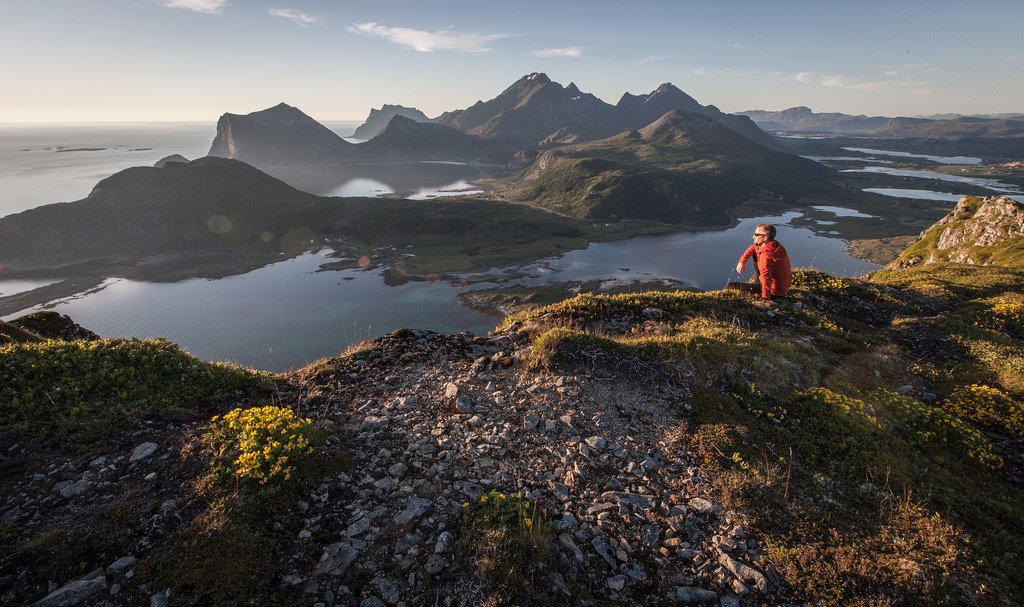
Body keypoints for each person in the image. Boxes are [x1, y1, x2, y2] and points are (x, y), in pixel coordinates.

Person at [730, 223, 792, 300]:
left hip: (774, 293)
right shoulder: (776, 245)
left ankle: (759, 286)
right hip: (783, 288)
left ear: (765, 238)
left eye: (756, 234)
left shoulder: (766, 256)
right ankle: (758, 281)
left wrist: (765, 299)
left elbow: (766, 278)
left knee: (731, 286)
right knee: (756, 252)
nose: (753, 236)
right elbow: (753, 247)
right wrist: (742, 261)